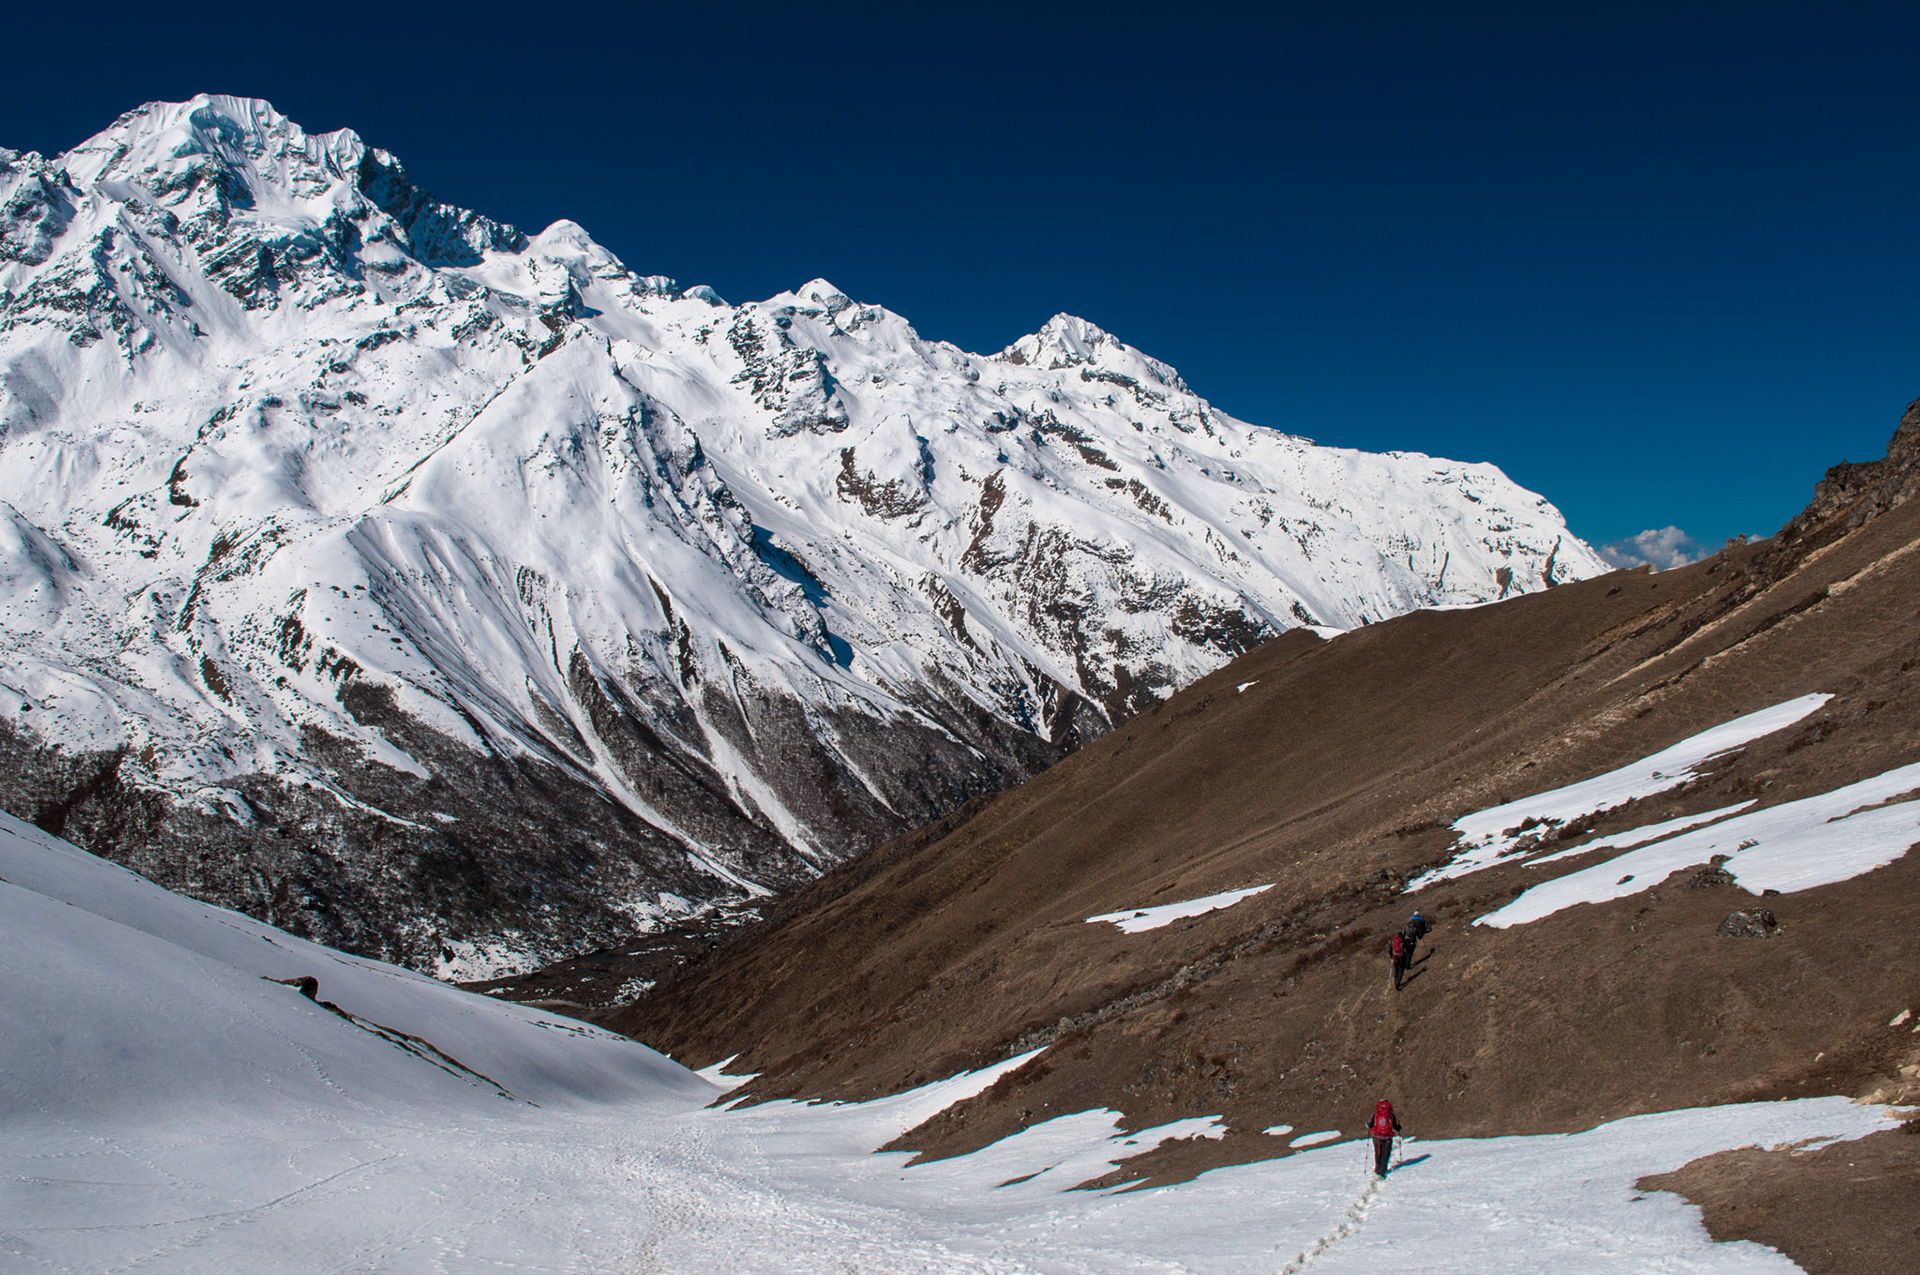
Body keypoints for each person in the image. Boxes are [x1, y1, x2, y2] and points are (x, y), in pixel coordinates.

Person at [1369, 1099, 1402, 1175]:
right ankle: (1382, 1171)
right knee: (1385, 1153)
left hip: (1376, 1137)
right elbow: (1395, 1127)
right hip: (1387, 1137)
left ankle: (1377, 1169)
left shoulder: (1376, 1114)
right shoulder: (1391, 1115)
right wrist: (1399, 1127)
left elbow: (1371, 1125)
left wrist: (1368, 1124)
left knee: (1378, 1153)